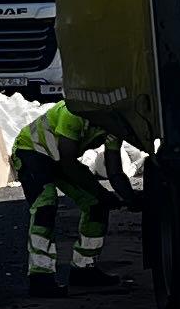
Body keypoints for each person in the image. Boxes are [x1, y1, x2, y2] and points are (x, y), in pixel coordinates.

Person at [12, 95, 111, 285]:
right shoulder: (72, 113)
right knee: (45, 207)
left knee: (97, 205)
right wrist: (101, 191)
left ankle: (84, 268)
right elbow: (68, 163)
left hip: (59, 158)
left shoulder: (113, 124)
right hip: (31, 151)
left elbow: (113, 167)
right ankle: (40, 275)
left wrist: (122, 196)